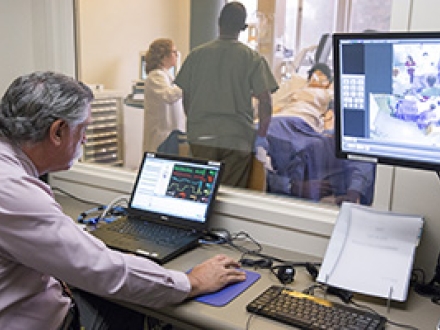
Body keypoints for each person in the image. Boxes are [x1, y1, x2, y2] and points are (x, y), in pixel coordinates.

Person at [0, 71, 246, 330]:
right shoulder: (13, 191)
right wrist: (192, 282)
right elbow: (104, 271)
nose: (84, 138)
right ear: (58, 131)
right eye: (83, 128)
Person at [175, 1, 279, 188]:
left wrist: (197, 123)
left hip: (201, 137)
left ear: (219, 22)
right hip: (236, 139)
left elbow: (187, 98)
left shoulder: (196, 56)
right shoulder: (251, 58)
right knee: (229, 197)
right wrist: (261, 137)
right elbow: (265, 102)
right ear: (243, 27)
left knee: (200, 194)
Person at [143, 38, 185, 153]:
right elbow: (169, 96)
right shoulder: (156, 76)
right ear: (163, 56)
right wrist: (186, 83)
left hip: (172, 133)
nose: (176, 55)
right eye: (174, 52)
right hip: (162, 137)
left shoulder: (167, 76)